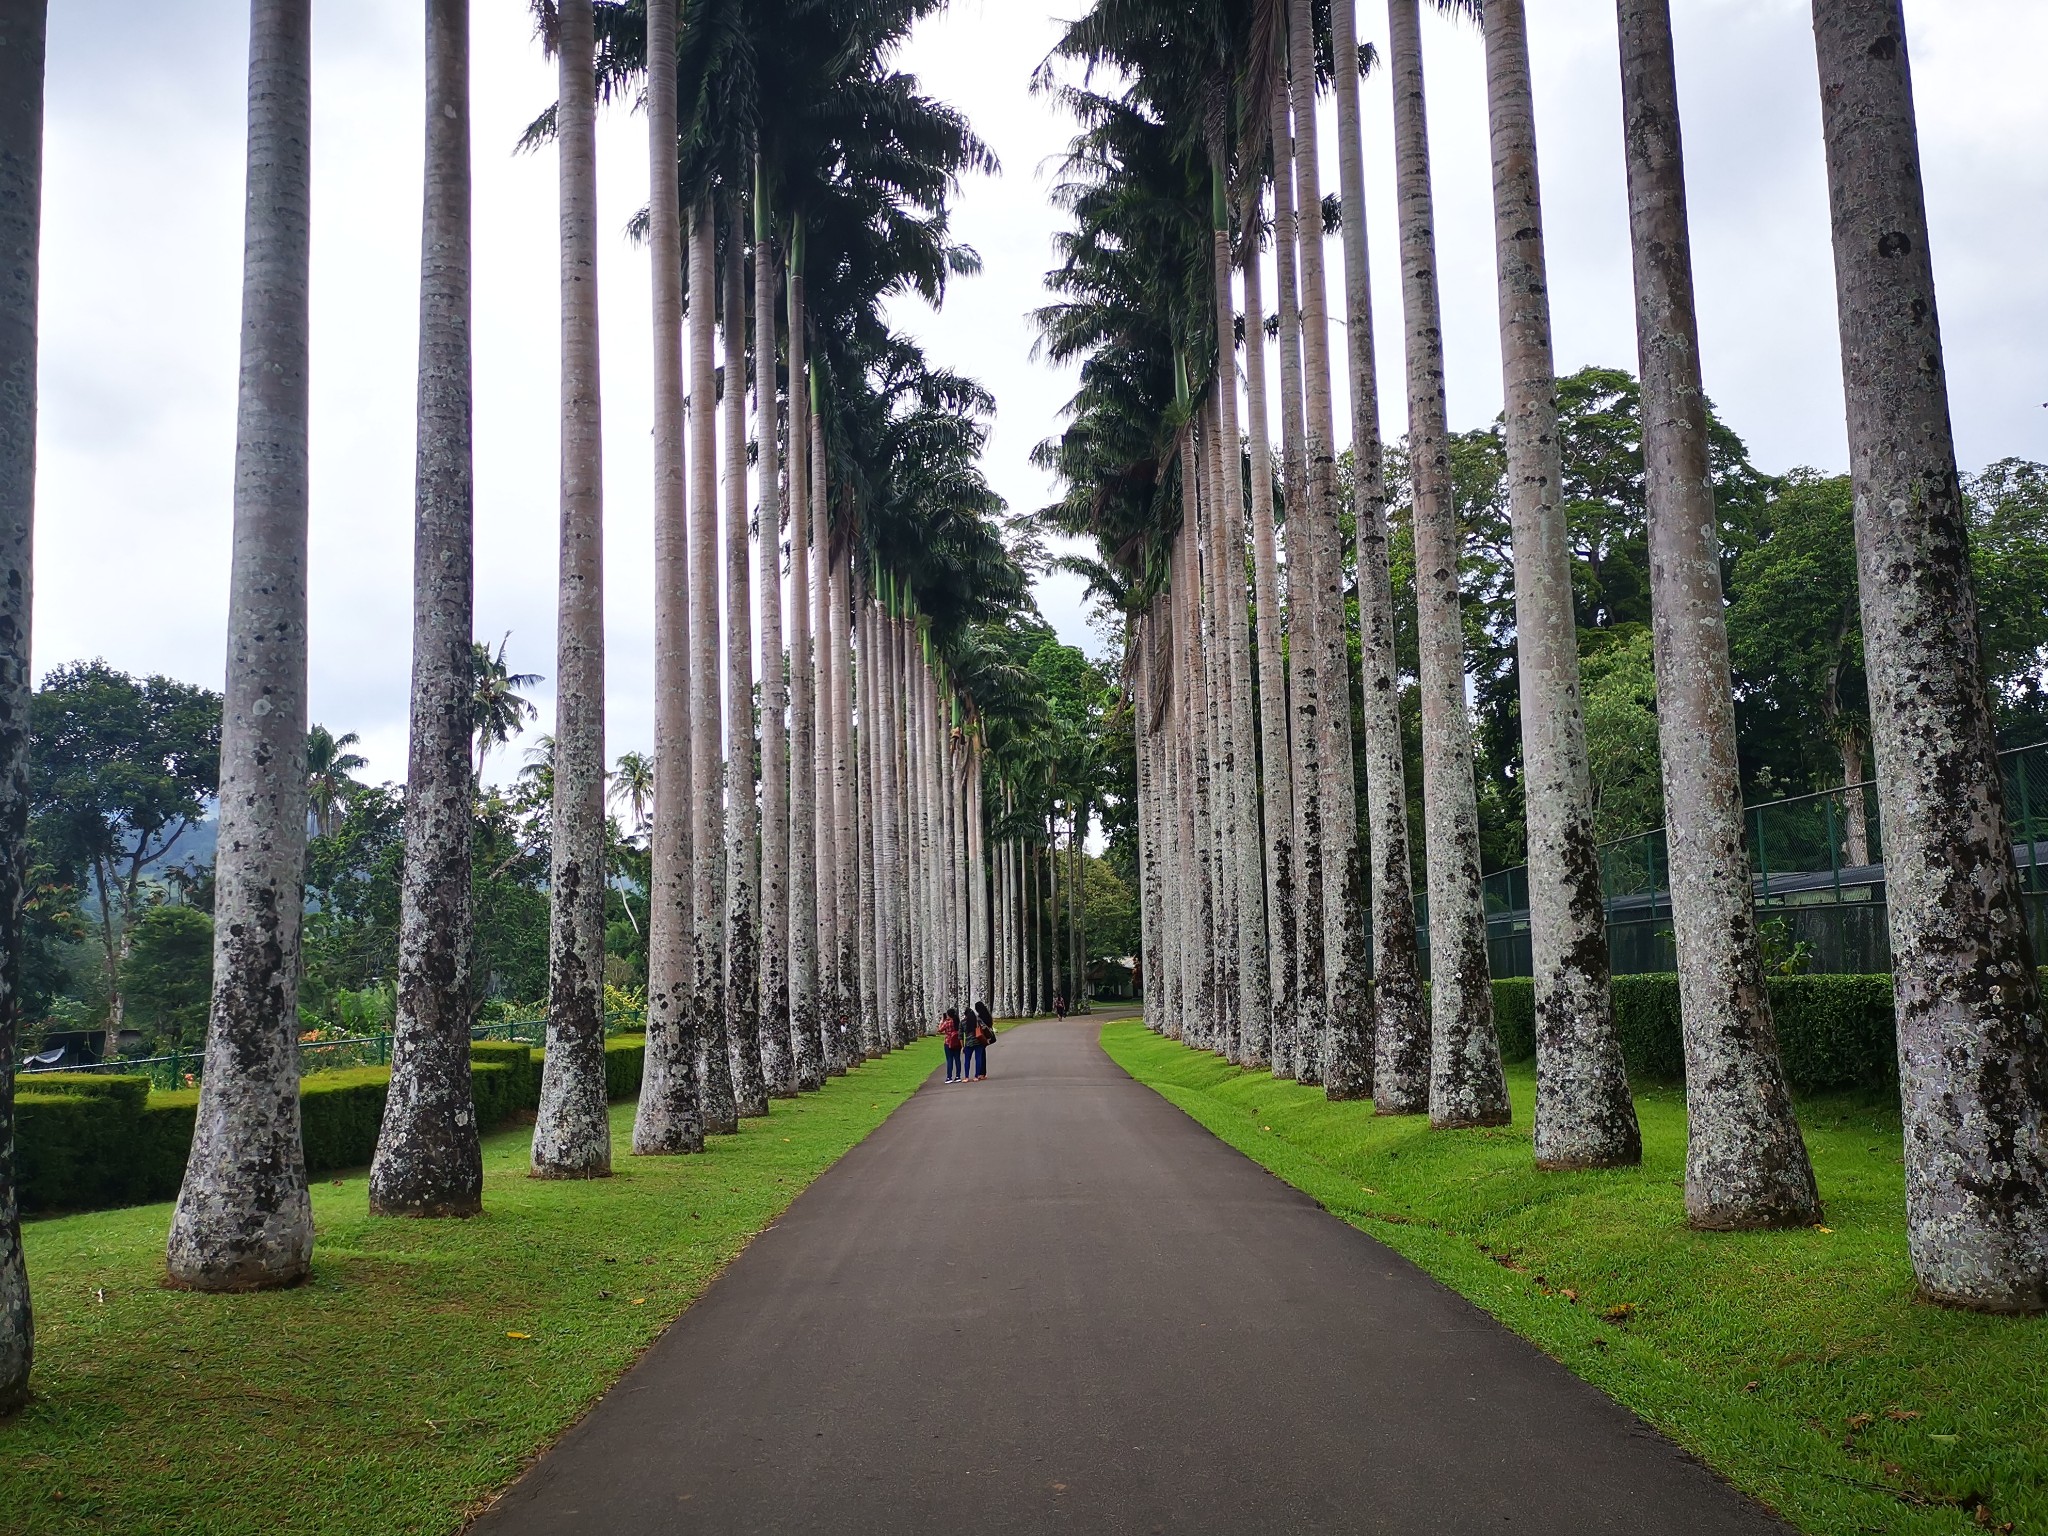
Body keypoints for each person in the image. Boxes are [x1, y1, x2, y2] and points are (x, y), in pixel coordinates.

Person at [967, 1000, 994, 1081]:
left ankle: (981, 1073)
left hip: (981, 1037)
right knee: (982, 1055)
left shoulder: (980, 1017)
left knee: (980, 1055)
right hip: (986, 1037)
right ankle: (983, 1073)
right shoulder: (988, 1016)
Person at [939, 1008, 963, 1083]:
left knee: (949, 1060)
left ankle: (949, 1077)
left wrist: (941, 1021)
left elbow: (940, 1030)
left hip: (948, 1042)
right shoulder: (957, 1021)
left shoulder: (947, 1022)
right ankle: (958, 1076)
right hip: (957, 1042)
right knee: (957, 1059)